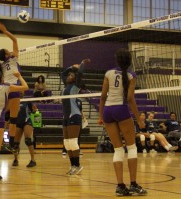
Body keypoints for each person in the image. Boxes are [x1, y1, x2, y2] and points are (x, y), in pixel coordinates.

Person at [97, 48, 147, 196]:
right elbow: (130, 99)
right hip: (121, 109)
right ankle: (133, 184)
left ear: (117, 60)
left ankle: (120, 186)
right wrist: (138, 119)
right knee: (131, 147)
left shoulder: (108, 73)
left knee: (118, 149)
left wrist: (100, 117)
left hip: (108, 111)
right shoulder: (131, 75)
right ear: (129, 61)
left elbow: (102, 97)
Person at [0, 22, 21, 151]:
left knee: (6, 115)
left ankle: (1, 139)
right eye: (7, 51)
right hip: (14, 88)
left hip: (5, 89)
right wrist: (5, 31)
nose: (9, 51)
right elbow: (15, 40)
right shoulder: (14, 58)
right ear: (7, 55)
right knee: (14, 118)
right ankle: (11, 144)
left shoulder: (1, 65)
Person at [61, 59, 90, 175]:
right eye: (69, 75)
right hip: (66, 116)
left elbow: (80, 73)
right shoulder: (66, 85)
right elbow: (63, 73)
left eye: (71, 75)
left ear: (75, 78)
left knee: (73, 142)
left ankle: (77, 165)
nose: (68, 76)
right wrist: (70, 66)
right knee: (67, 143)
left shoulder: (75, 86)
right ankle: (72, 165)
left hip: (74, 115)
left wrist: (81, 64)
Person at [12, 100, 37, 168]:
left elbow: (33, 112)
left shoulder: (26, 101)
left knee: (28, 140)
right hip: (17, 123)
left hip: (27, 121)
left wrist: (35, 110)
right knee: (15, 144)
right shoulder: (12, 101)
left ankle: (33, 160)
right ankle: (15, 160)